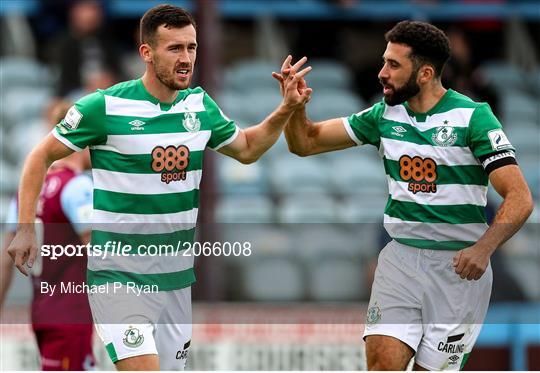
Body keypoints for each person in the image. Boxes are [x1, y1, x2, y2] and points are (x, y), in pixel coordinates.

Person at [6, 4, 311, 371]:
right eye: (175, 48)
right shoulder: (106, 106)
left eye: (192, 48)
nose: (186, 59)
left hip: (176, 279)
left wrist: (286, 109)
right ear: (146, 53)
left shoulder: (199, 107)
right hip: (119, 277)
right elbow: (38, 157)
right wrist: (26, 228)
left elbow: (247, 149)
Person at [273, 21, 533, 370]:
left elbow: (520, 197)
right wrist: (293, 107)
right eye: (384, 61)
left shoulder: (474, 118)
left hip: (458, 271)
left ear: (425, 73)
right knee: (382, 363)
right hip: (401, 262)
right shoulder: (383, 115)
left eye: (393, 65)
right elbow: (305, 143)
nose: (382, 73)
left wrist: (484, 248)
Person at [0, 101, 95, 371]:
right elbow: (98, 250)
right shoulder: (77, 188)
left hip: (42, 312)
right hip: (71, 315)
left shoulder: (26, 196)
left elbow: (5, 262)